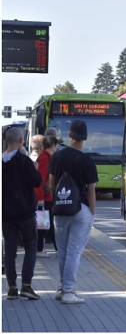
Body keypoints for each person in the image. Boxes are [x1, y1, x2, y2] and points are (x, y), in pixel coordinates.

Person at [48, 120, 98, 304]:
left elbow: (51, 184)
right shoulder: (87, 161)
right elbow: (91, 191)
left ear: (70, 135)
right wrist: (92, 213)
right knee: (74, 251)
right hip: (80, 209)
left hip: (60, 208)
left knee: (62, 251)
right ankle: (68, 291)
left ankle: (62, 288)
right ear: (85, 138)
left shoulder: (57, 157)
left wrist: (57, 202)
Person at [2, 127, 42, 300]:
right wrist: (35, 167)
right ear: (20, 141)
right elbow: (37, 181)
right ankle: (26, 285)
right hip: (25, 213)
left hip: (5, 214)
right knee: (30, 246)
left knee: (10, 249)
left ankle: (11, 288)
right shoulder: (24, 161)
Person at [35, 135, 58, 255]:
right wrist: (40, 197)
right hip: (44, 197)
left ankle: (43, 247)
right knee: (43, 223)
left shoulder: (46, 157)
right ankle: (39, 248)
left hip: (46, 196)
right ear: (53, 145)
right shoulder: (45, 158)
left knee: (45, 222)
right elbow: (41, 179)